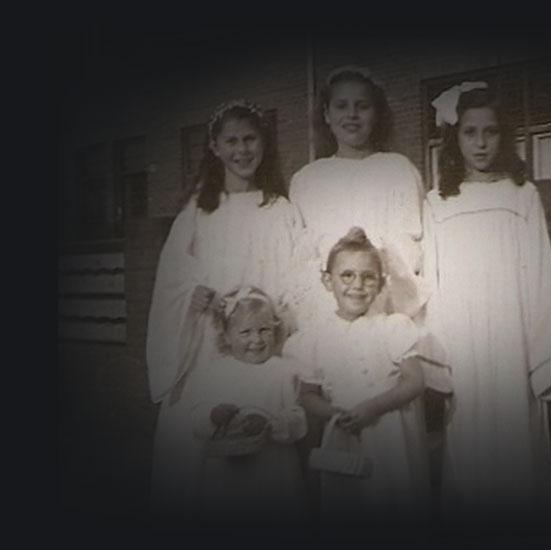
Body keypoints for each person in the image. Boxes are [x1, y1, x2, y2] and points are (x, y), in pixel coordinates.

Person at [422, 83, 551, 528]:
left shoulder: (521, 196)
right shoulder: (438, 203)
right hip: (463, 343)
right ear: (455, 138)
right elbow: (431, 280)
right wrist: (439, 360)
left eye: (490, 132)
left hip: (514, 342)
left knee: (517, 449)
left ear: (503, 136)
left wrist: (541, 356)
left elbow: (541, 277)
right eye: (470, 132)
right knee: (467, 450)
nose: (481, 142)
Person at [146, 98, 302, 519]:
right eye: (231, 141)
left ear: (264, 144)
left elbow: (295, 279)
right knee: (201, 452)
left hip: (260, 346)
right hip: (207, 352)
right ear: (214, 147)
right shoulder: (199, 213)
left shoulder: (280, 210)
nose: (242, 150)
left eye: (250, 139)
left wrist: (276, 319)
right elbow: (172, 282)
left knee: (261, 453)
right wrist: (191, 299)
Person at [284, 227, 432, 528]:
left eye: (368, 277)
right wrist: (334, 413)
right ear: (328, 280)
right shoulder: (314, 339)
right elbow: (308, 395)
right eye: (347, 276)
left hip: (391, 433)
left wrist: (372, 408)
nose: (357, 285)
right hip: (345, 435)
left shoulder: (393, 327)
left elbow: (415, 381)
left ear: (380, 284)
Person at [288, 66, 428, 326]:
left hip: (387, 308)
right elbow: (302, 257)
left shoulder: (398, 169)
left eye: (362, 106)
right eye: (341, 106)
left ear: (377, 115)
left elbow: (412, 248)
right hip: (325, 313)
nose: (352, 115)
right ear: (327, 115)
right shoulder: (307, 180)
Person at [189, 286, 307, 525]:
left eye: (264, 330)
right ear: (227, 336)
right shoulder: (216, 372)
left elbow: (298, 420)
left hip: (274, 470)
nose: (256, 340)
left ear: (275, 330)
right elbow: (196, 421)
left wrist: (272, 425)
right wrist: (213, 415)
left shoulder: (283, 371)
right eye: (245, 332)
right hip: (228, 473)